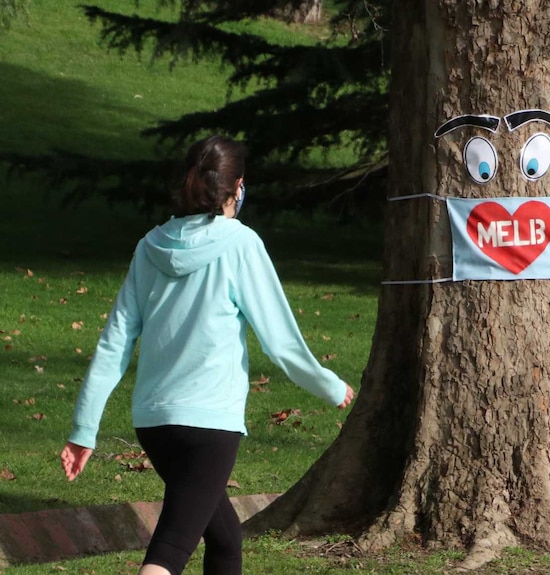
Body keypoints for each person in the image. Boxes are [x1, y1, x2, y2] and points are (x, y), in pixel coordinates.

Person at [60, 134, 355, 575]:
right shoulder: (241, 244)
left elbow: (114, 342)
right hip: (209, 426)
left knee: (225, 539)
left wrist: (85, 428)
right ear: (237, 185)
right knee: (171, 548)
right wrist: (330, 385)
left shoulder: (149, 246)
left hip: (154, 424)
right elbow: (280, 340)